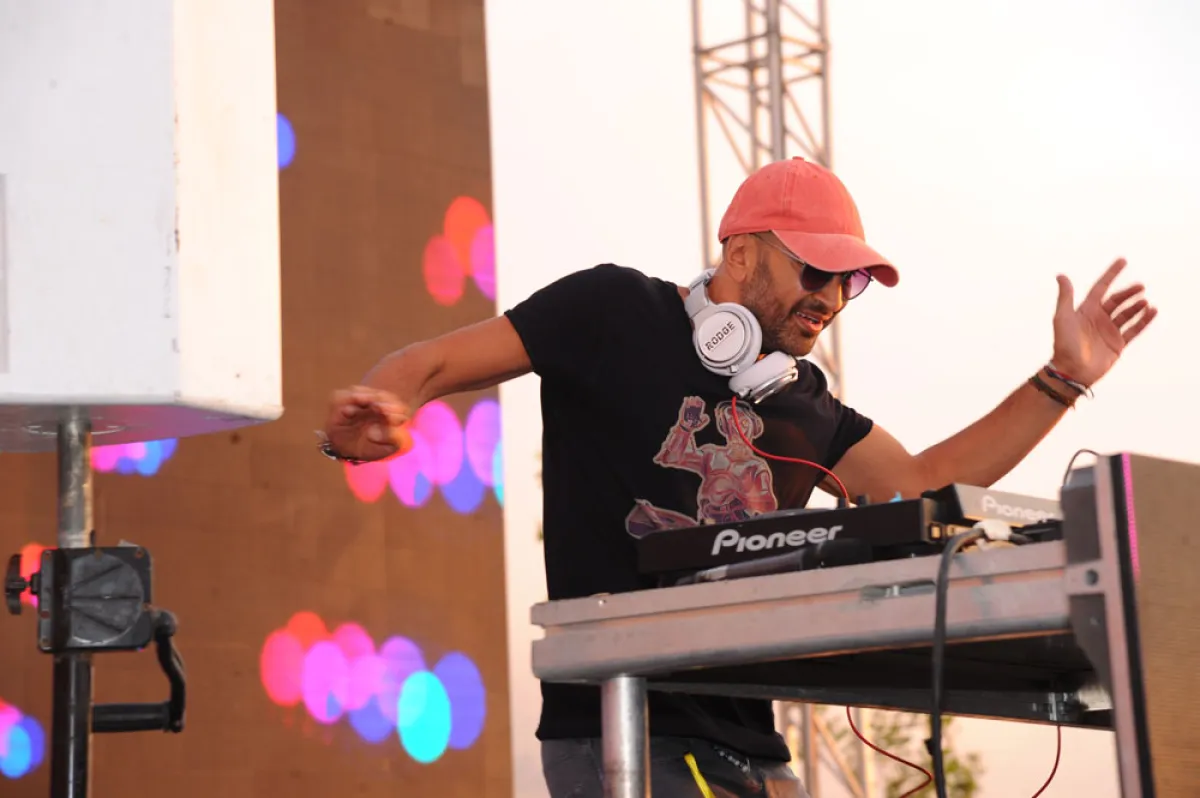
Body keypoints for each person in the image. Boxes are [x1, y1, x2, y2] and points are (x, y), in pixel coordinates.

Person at [319, 157, 1156, 797]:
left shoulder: (799, 399)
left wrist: (1062, 380)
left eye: (851, 282)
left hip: (752, 743)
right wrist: (382, 408)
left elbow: (919, 485)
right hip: (622, 724)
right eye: (816, 272)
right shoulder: (613, 311)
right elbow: (428, 363)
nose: (834, 297)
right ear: (744, 253)